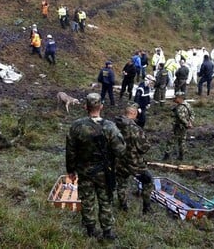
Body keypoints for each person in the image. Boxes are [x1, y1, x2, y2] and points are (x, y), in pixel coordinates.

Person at [66, 93, 126, 240]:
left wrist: (71, 170)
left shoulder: (76, 126)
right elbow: (121, 150)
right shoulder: (110, 127)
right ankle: (107, 232)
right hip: (105, 172)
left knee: (87, 199)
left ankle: (90, 229)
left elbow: (70, 150)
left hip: (84, 171)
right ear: (101, 107)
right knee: (105, 200)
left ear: (85, 106)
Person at [114, 103, 154, 214]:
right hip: (134, 163)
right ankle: (147, 208)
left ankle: (123, 206)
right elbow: (144, 147)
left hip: (119, 162)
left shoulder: (113, 126)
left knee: (121, 184)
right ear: (133, 114)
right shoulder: (135, 129)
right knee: (148, 181)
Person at [163, 91, 194, 161]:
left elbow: (181, 118)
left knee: (171, 141)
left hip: (178, 127)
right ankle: (181, 156)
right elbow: (192, 114)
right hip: (184, 127)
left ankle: (166, 156)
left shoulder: (179, 108)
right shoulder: (187, 105)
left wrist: (187, 124)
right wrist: (190, 122)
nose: (174, 99)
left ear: (180, 98)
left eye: (176, 97)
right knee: (182, 141)